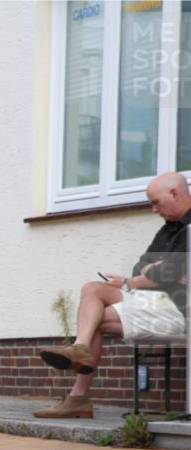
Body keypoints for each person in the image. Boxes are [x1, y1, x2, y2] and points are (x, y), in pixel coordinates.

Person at [34, 172, 191, 418]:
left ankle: (78, 397)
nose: (153, 209)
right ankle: (81, 350)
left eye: (155, 202)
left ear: (174, 193)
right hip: (150, 301)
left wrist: (144, 277)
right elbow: (143, 268)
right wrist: (153, 273)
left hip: (177, 308)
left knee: (94, 319)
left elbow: (175, 270)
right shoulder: (166, 231)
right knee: (92, 289)